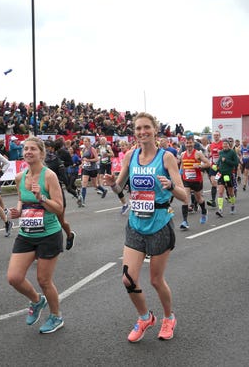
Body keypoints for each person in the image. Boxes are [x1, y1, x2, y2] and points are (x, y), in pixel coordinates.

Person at [103, 112, 188, 342]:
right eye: (138, 128)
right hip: (135, 224)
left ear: (155, 130)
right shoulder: (130, 156)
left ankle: (168, 317)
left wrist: (170, 186)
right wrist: (113, 184)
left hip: (159, 224)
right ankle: (144, 317)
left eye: (146, 128)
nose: (142, 132)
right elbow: (120, 188)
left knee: (155, 280)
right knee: (127, 278)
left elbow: (185, 197)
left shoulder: (166, 157)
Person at [6, 137, 66, 334]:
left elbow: (59, 208)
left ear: (41, 153)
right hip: (26, 233)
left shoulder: (49, 176)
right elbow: (22, 200)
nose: (28, 152)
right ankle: (36, 300)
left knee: (44, 280)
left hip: (49, 234)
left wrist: (42, 198)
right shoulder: (19, 177)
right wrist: (16, 211)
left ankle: (56, 316)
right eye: (25, 149)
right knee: (14, 277)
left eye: (33, 149)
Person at [177, 135, 210, 229]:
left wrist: (199, 166)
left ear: (193, 143)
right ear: (185, 144)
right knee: (185, 199)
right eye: (187, 143)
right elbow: (182, 166)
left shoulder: (198, 153)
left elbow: (208, 163)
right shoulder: (183, 154)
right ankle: (185, 221)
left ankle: (204, 211)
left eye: (190, 142)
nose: (189, 145)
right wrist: (180, 174)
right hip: (186, 180)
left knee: (199, 199)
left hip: (196, 180)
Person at [79, 137, 108, 206]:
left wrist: (89, 160)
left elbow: (97, 159)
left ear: (89, 142)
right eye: (84, 141)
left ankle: (103, 190)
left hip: (93, 169)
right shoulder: (83, 150)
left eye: (86, 141)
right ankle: (83, 201)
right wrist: (82, 164)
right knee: (84, 183)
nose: (85, 143)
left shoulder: (92, 149)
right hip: (86, 169)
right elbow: (83, 159)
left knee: (95, 185)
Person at [214, 139, 240, 217]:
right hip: (221, 174)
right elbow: (219, 161)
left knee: (230, 193)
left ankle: (232, 205)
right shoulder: (221, 152)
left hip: (229, 174)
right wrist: (216, 165)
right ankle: (220, 210)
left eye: (226, 144)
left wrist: (226, 161)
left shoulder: (232, 152)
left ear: (229, 145)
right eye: (224, 144)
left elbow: (236, 163)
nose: (225, 145)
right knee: (220, 192)